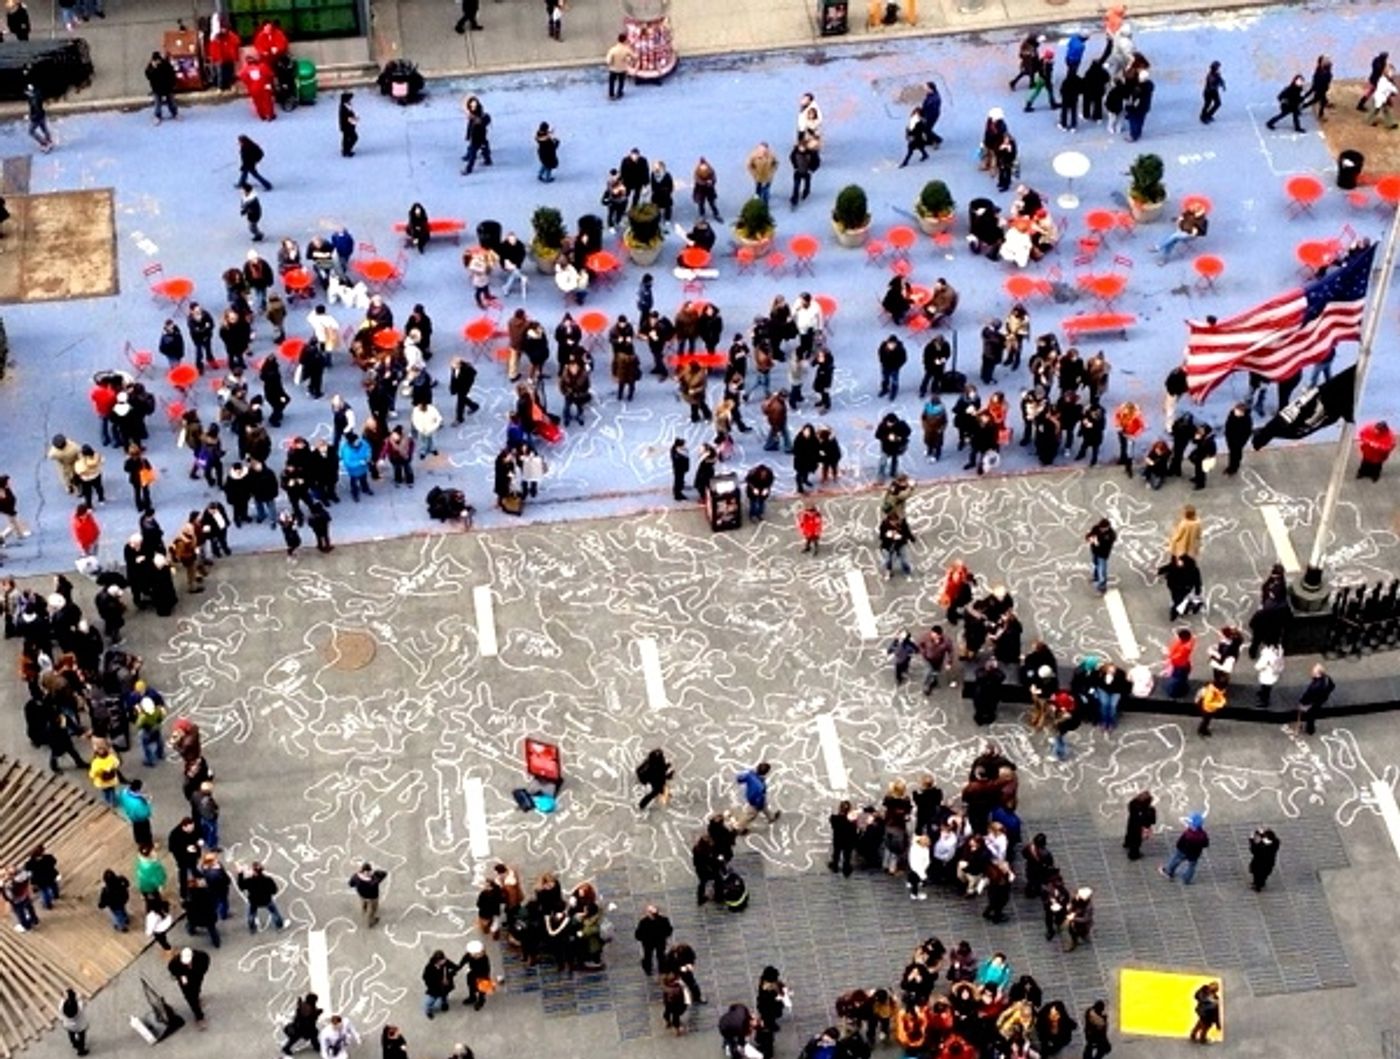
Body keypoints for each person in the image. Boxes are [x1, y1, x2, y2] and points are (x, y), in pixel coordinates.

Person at [1160, 812, 1209, 884]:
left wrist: (1178, 847)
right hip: (1195, 853)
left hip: (1183, 851)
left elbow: (1180, 842)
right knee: (1191, 866)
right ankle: (1186, 879)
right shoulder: (1203, 834)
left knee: (1175, 860)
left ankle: (1169, 871)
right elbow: (1205, 844)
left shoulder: (1187, 834)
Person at [237, 861, 286, 932]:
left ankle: (252, 927)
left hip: (253, 901)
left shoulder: (249, 881)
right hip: (266, 900)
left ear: (254, 871)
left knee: (251, 914)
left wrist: (240, 874)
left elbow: (241, 887)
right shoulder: (268, 880)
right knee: (274, 912)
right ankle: (279, 925)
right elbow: (274, 891)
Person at [168, 947, 211, 1028]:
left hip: (197, 978)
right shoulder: (175, 962)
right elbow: (172, 969)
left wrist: (201, 972)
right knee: (191, 998)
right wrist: (180, 976)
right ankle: (199, 1017)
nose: (187, 964)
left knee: (197, 990)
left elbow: (206, 963)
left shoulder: (201, 956)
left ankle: (197, 998)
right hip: (185, 983)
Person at [735, 762, 780, 830]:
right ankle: (739, 827)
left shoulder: (750, 775)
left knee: (765, 807)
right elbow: (760, 799)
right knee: (751, 815)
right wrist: (759, 806)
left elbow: (739, 779)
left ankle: (771, 818)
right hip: (755, 801)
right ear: (766, 773)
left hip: (750, 796)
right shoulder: (761, 786)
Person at [1296, 662, 1335, 735]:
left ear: (1318, 674)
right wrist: (1326, 693)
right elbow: (1332, 686)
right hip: (1321, 700)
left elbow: (1308, 696)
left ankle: (1310, 730)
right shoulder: (1326, 678)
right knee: (1312, 714)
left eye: (1313, 671)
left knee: (1310, 716)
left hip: (1313, 703)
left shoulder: (1315, 686)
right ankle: (1310, 728)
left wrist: (1302, 703)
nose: (1311, 672)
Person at [634, 904, 673, 975]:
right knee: (658, 955)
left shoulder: (644, 922)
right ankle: (660, 968)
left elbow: (638, 933)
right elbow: (669, 930)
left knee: (651, 955)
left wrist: (641, 938)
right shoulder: (663, 920)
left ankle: (650, 969)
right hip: (657, 941)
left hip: (649, 942)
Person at [348, 863, 387, 927]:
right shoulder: (374, 880)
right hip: (372, 898)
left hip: (362, 895)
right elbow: (384, 874)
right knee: (373, 909)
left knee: (363, 903)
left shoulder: (355, 877)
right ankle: (371, 921)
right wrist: (375, 873)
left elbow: (350, 884)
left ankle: (364, 910)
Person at [1085, 517, 1116, 594]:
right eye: (1101, 528)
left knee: (1102, 570)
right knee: (1095, 565)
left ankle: (1102, 587)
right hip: (1095, 551)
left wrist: (1096, 542)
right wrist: (1089, 538)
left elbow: (1104, 546)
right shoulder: (1096, 528)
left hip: (1103, 554)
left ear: (1107, 527)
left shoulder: (1110, 535)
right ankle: (1096, 578)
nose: (1101, 529)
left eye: (1103, 528)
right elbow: (1089, 535)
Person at [145, 51, 178, 123]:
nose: (157, 62)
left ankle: (174, 113)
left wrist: (172, 84)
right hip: (157, 88)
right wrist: (153, 68)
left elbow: (172, 73)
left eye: (158, 60)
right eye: (155, 60)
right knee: (157, 103)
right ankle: (157, 116)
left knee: (171, 102)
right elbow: (148, 76)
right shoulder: (150, 66)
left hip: (167, 87)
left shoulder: (165, 64)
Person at [1124, 791, 1155, 861]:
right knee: (1136, 842)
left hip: (1132, 823)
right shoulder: (1150, 810)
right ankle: (1133, 855)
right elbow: (1152, 821)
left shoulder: (1133, 803)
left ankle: (1127, 843)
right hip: (1140, 828)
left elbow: (1129, 809)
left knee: (1129, 834)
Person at [1248, 826, 1280, 891]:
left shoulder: (1263, 848)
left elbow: (1254, 850)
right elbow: (1267, 840)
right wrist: (1261, 834)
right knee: (1263, 876)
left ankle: (1257, 887)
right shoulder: (1275, 842)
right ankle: (1260, 883)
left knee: (1258, 876)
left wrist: (1251, 840)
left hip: (1259, 865)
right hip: (1269, 865)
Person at [59, 989, 88, 1056]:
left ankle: (74, 1043)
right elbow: (82, 1000)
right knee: (81, 1038)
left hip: (68, 1025)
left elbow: (62, 1000)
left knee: (71, 1034)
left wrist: (63, 996)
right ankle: (81, 1050)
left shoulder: (61, 1007)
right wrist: (80, 996)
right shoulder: (79, 1008)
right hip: (80, 1026)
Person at [605, 33, 633, 100]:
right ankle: (619, 93)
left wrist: (610, 64)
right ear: (625, 40)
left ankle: (611, 94)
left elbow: (608, 60)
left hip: (613, 69)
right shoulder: (627, 49)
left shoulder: (612, 49)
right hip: (622, 69)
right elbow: (634, 57)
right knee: (621, 81)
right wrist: (628, 59)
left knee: (612, 81)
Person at [338, 91, 358, 157]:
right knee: (353, 137)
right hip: (347, 126)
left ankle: (345, 150)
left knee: (346, 138)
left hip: (346, 126)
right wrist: (354, 119)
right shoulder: (344, 107)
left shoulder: (345, 105)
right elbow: (347, 117)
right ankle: (347, 150)